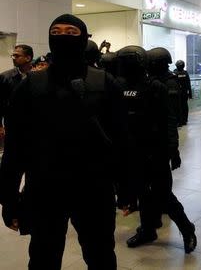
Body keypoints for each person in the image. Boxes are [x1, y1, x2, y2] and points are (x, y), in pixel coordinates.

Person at [0, 14, 130, 270]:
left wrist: (127, 186)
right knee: (43, 257)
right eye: (57, 32)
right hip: (45, 188)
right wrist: (9, 198)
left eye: (71, 33)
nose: (63, 38)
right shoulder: (30, 87)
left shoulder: (104, 83)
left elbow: (122, 139)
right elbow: (15, 147)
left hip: (94, 188)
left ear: (82, 39)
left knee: (101, 255)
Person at [126, 47, 196, 254]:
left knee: (164, 195)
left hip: (156, 149)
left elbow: (170, 119)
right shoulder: (130, 85)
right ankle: (148, 229)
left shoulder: (162, 84)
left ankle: (187, 229)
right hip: (137, 149)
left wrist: (172, 150)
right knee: (142, 193)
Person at [0, 44, 33, 142]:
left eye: (17, 56)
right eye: (13, 55)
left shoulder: (38, 76)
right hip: (12, 124)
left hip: (33, 124)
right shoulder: (5, 77)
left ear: (28, 58)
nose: (13, 58)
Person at [173, 60, 192, 126]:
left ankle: (179, 121)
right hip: (184, 93)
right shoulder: (185, 73)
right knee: (185, 106)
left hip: (177, 93)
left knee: (178, 106)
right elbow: (188, 84)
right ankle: (185, 120)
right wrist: (190, 94)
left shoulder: (174, 73)